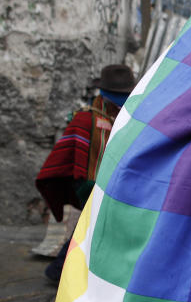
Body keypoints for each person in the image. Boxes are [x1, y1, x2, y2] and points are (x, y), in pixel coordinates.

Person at [35, 64, 136, 282]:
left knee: (93, 226)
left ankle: (65, 269)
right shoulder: (85, 118)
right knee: (93, 226)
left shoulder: (125, 119)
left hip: (110, 182)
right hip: (88, 183)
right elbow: (71, 154)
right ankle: (61, 269)